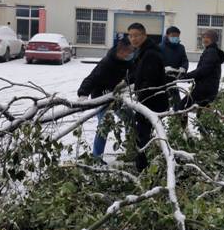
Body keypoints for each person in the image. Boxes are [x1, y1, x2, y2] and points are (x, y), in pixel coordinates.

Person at [77, 39, 135, 163]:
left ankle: (131, 151)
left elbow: (134, 75)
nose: (131, 54)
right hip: (101, 97)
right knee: (104, 126)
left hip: (118, 96)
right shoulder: (107, 63)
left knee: (130, 118)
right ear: (121, 51)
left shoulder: (129, 61)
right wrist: (83, 93)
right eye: (128, 52)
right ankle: (97, 158)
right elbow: (91, 78)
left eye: (132, 51)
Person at [127, 22, 169, 171]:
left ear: (144, 35)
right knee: (145, 134)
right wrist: (125, 82)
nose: (133, 39)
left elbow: (150, 82)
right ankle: (147, 163)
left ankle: (143, 168)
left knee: (142, 135)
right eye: (130, 36)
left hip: (152, 102)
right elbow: (137, 74)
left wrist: (138, 97)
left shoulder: (150, 54)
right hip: (148, 100)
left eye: (136, 35)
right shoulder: (143, 52)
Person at [178, 30, 224, 127]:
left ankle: (182, 131)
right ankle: (205, 131)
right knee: (203, 113)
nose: (204, 39)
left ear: (213, 40)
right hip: (209, 87)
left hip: (205, 88)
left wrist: (187, 76)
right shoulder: (211, 50)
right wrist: (192, 77)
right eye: (204, 37)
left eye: (208, 37)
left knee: (182, 106)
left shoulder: (211, 52)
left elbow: (203, 70)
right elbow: (204, 70)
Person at [159, 26, 189, 110]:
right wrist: (164, 68)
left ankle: (177, 115)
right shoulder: (160, 47)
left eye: (177, 36)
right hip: (161, 81)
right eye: (173, 36)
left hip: (173, 80)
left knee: (177, 104)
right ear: (167, 35)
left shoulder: (181, 48)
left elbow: (184, 60)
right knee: (162, 104)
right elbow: (156, 62)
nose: (175, 38)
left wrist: (183, 68)